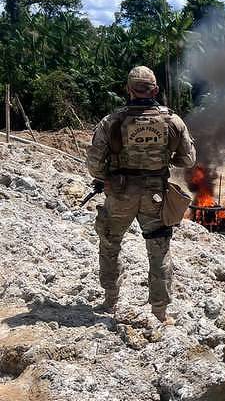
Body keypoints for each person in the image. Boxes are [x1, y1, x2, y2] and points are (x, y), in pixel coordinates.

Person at [86, 66, 196, 323]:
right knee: (158, 250)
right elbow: (188, 159)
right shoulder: (172, 121)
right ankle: (160, 312)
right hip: (155, 195)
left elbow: (94, 163)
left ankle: (110, 299)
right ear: (155, 90)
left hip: (120, 194)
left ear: (128, 89)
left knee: (110, 243)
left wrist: (106, 178)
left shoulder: (112, 121)